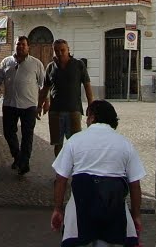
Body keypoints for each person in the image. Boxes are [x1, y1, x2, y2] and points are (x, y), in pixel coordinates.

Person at [50, 100, 145, 247]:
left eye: (87, 117)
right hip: (115, 210)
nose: (86, 121)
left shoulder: (75, 141)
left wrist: (57, 209)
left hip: (80, 212)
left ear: (92, 117)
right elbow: (135, 185)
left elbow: (61, 179)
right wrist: (136, 216)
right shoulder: (125, 144)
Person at [0, 35, 44, 176]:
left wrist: (44, 102)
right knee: (8, 133)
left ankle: (24, 163)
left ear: (28, 47)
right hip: (9, 104)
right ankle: (18, 157)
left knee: (27, 135)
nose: (20, 46)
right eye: (18, 44)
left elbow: (43, 84)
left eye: (23, 44)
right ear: (15, 45)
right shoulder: (6, 62)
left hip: (29, 105)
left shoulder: (36, 64)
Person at [38, 39, 94, 156]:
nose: (60, 53)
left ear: (68, 50)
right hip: (55, 112)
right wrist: (39, 106)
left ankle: (74, 169)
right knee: (57, 144)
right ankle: (60, 170)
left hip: (73, 111)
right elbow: (45, 89)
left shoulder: (78, 65)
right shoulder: (50, 67)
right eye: (57, 50)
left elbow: (87, 86)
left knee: (75, 143)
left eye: (62, 50)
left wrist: (91, 105)